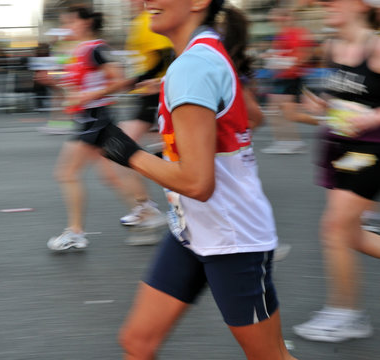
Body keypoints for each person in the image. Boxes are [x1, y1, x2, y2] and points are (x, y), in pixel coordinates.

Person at [92, 0, 296, 358]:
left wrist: (127, 152)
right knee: (137, 343)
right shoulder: (207, 53)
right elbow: (252, 118)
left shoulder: (194, 64)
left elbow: (198, 183)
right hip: (191, 232)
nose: (146, 2)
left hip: (233, 239)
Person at [292, 0, 380, 343]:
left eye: (334, 2)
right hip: (338, 148)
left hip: (372, 149)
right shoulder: (332, 46)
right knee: (351, 234)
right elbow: (341, 94)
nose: (328, 5)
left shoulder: (375, 46)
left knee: (333, 228)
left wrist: (372, 118)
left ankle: (346, 314)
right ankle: (345, 314)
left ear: (360, 5)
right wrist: (322, 104)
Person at [47, 7, 131, 251]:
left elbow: (120, 80)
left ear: (85, 23)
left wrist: (88, 95)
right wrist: (61, 86)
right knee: (111, 175)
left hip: (95, 119)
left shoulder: (96, 48)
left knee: (66, 173)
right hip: (88, 118)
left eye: (70, 22)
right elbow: (75, 85)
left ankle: (76, 232)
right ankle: (144, 211)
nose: (66, 27)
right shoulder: (79, 50)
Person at [114, 0, 174, 230]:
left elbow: (165, 55)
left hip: (155, 94)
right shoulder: (140, 20)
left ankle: (146, 208)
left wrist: (145, 81)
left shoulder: (150, 18)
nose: (130, 2)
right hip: (149, 94)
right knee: (168, 152)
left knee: (119, 148)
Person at [261, 7, 314, 155]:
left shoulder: (295, 33)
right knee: (278, 112)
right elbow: (282, 55)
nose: (273, 20)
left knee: (284, 113)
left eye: (275, 17)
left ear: (285, 17)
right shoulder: (281, 35)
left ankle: (290, 141)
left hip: (291, 77)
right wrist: (271, 58)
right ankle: (287, 142)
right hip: (282, 77)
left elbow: (304, 55)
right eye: (272, 18)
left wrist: (285, 63)